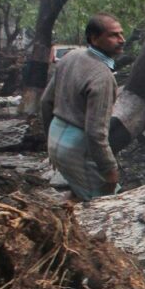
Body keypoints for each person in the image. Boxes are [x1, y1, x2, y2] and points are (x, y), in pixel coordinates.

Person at [41, 13, 126, 201]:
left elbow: (46, 102)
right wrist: (110, 170)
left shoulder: (71, 56)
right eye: (113, 35)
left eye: (121, 34)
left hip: (56, 136)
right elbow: (95, 133)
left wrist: (50, 144)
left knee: (80, 194)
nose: (122, 40)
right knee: (104, 203)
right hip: (75, 147)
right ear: (94, 38)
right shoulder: (102, 77)